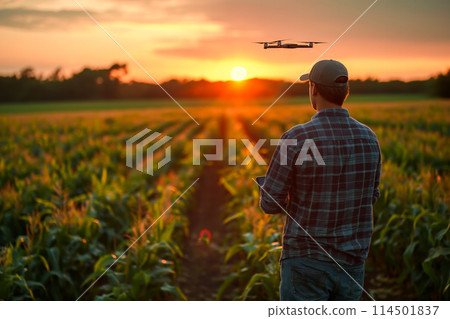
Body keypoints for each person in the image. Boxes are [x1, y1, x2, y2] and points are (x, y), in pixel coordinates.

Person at [259, 59, 381, 301]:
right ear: (345, 92)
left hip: (307, 261)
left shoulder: (296, 137)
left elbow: (270, 204)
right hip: (353, 263)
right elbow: (372, 195)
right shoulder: (369, 138)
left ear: (313, 89)